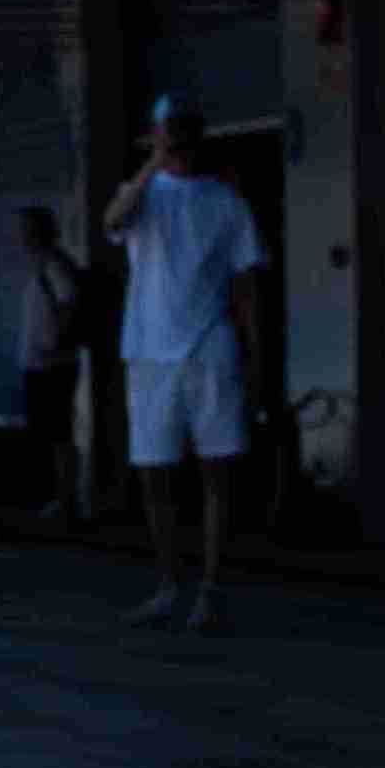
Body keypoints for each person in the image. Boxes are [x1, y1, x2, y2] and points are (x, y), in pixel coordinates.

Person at [103, 99, 262, 632]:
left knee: (217, 469)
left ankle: (211, 588)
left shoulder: (226, 202)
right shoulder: (145, 196)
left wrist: (254, 355)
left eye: (183, 137)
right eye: (169, 137)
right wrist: (153, 162)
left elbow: (246, 284)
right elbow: (114, 220)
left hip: (209, 346)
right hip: (148, 350)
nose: (177, 146)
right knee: (155, 471)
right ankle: (170, 583)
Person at [18, 204, 87, 524]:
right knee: (47, 432)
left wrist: (55, 343)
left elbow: (68, 305)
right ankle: (51, 497)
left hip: (52, 363)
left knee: (58, 432)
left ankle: (64, 499)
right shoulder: (38, 266)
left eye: (27, 228)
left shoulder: (53, 266)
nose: (21, 235)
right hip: (39, 363)